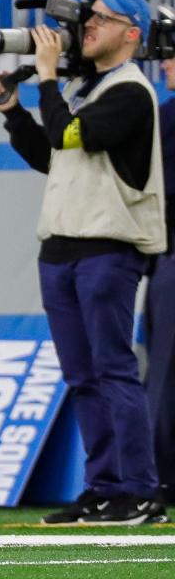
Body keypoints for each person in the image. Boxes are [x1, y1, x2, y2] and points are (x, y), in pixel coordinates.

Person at [0, 0, 168, 525]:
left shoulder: (132, 92)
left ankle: (139, 490)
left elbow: (64, 135)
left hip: (108, 247)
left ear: (131, 34)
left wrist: (43, 76)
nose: (88, 25)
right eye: (90, 17)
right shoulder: (87, 88)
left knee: (112, 370)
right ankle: (104, 486)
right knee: (83, 376)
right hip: (62, 247)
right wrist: (14, 112)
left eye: (103, 19)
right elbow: (52, 157)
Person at [145, 56, 175, 504]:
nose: (167, 61)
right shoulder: (165, 114)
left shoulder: (166, 117)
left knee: (166, 374)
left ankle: (163, 479)